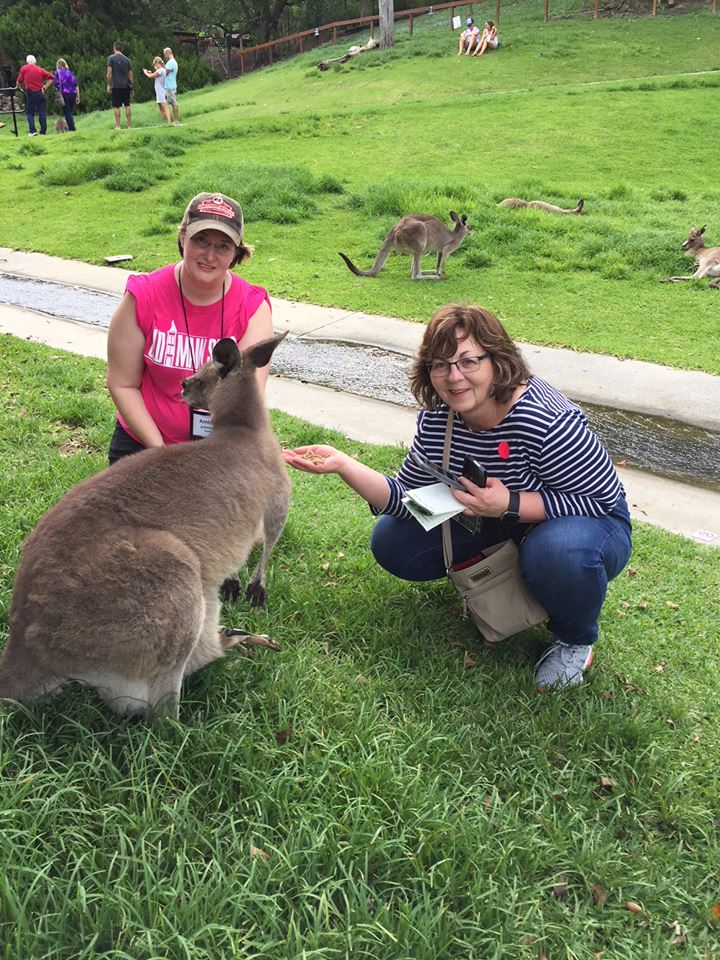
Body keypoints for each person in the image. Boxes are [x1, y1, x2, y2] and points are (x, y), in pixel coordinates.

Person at [283, 304, 633, 691]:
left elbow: (601, 499)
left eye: (468, 361)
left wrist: (511, 505)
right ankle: (510, 575)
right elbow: (407, 499)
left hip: (587, 523)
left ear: (498, 361)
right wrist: (345, 465)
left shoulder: (544, 419)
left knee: (558, 553)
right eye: (440, 364)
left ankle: (574, 638)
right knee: (394, 540)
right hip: (495, 516)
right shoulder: (438, 420)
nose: (454, 377)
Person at [106, 192, 273, 463]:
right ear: (183, 238)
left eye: (223, 246)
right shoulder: (144, 295)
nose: (209, 255)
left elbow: (245, 395)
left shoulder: (252, 307)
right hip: (142, 446)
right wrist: (160, 453)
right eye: (201, 240)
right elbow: (123, 384)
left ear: (236, 254)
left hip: (216, 450)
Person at [16, 55, 54, 137]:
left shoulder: (24, 68)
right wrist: (45, 87)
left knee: (30, 112)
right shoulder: (39, 69)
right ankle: (43, 132)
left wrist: (18, 88)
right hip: (40, 93)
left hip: (31, 93)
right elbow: (52, 77)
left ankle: (32, 131)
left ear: (27, 62)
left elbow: (19, 81)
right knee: (42, 112)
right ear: (35, 62)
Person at [106, 40, 133, 130]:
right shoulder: (127, 60)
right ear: (122, 49)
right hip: (126, 86)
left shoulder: (111, 59)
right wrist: (131, 87)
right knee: (127, 105)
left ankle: (118, 126)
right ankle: (129, 125)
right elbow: (130, 75)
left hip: (116, 85)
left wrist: (109, 85)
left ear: (114, 48)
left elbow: (109, 74)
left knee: (116, 106)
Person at [53, 58, 80, 132]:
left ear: (58, 66)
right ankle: (70, 126)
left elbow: (55, 84)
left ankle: (72, 128)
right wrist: (78, 97)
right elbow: (76, 86)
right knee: (69, 111)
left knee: (67, 112)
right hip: (73, 94)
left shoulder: (57, 73)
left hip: (64, 94)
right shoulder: (71, 73)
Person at [143, 57, 171, 126]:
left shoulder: (160, 70)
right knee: (160, 107)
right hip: (159, 91)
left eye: (155, 64)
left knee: (164, 106)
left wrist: (145, 72)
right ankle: (164, 121)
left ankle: (169, 122)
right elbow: (155, 75)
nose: (155, 66)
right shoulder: (161, 70)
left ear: (158, 63)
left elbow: (150, 76)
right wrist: (151, 72)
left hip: (161, 91)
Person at [163, 46, 179, 125]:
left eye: (164, 54)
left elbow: (165, 73)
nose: (164, 56)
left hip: (170, 86)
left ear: (167, 53)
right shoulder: (173, 62)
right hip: (171, 85)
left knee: (173, 103)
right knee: (172, 102)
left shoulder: (171, 62)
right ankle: (174, 120)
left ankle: (176, 120)